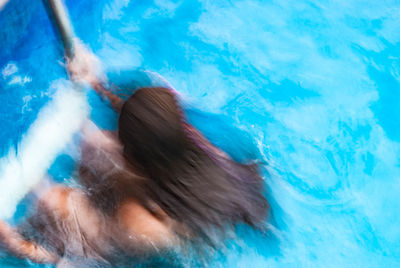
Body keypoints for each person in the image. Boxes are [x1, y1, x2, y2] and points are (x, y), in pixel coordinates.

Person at [0, 41, 269, 266]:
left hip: (134, 238)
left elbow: (79, 262)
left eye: (124, 143)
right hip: (161, 195)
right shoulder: (193, 143)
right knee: (96, 146)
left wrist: (18, 244)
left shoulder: (140, 224)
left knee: (54, 202)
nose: (115, 136)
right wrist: (95, 82)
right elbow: (142, 120)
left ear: (140, 160)